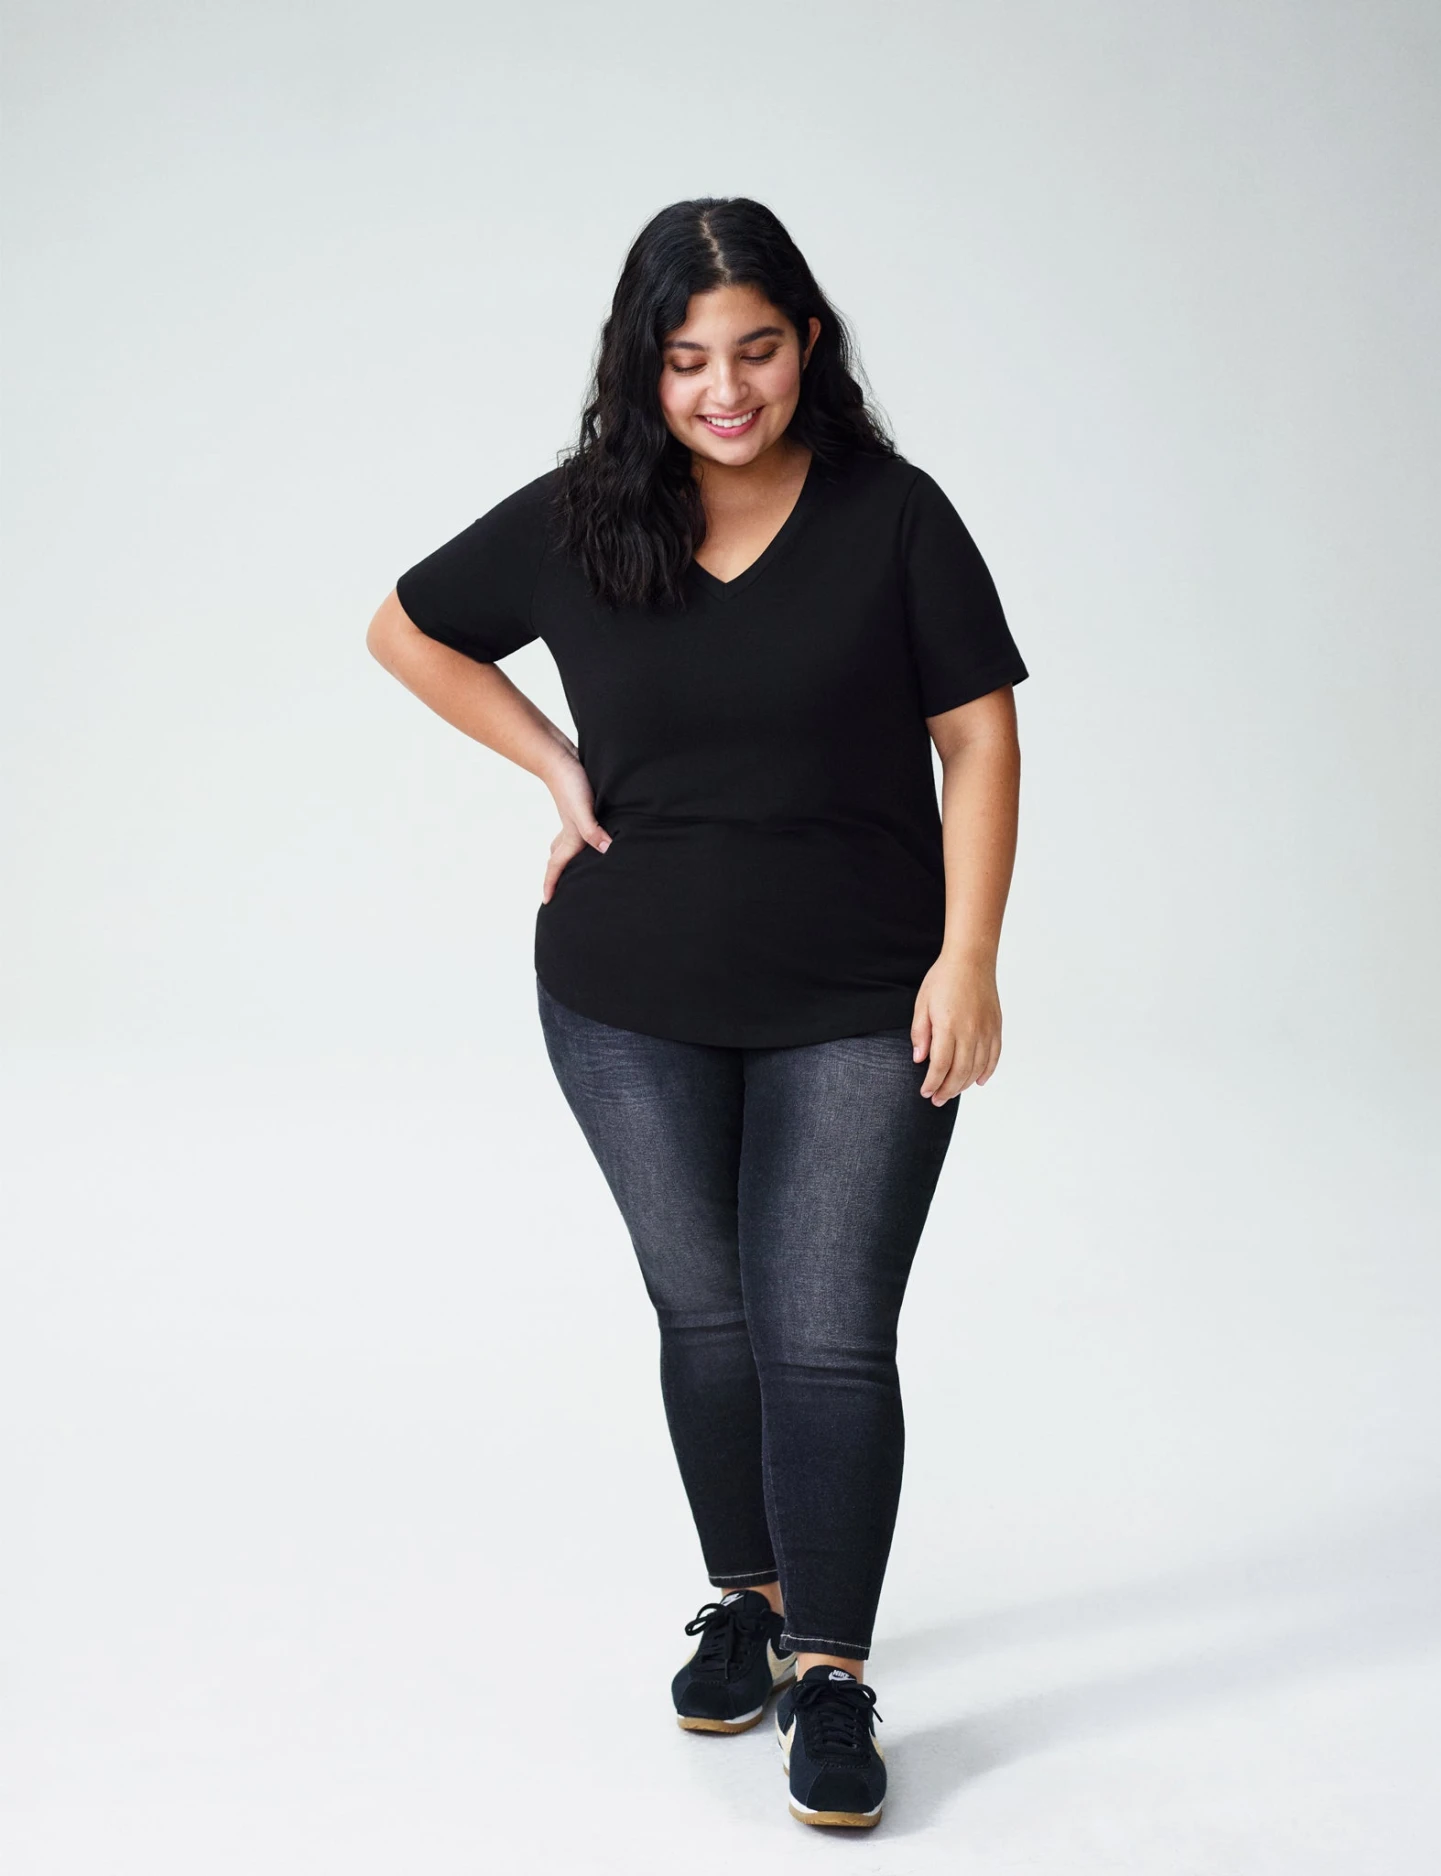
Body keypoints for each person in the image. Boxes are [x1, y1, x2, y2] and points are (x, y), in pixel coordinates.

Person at [365, 195, 1028, 1831]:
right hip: (627, 996)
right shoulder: (587, 514)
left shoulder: (892, 514)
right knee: (708, 1316)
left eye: (755, 349)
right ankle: (749, 1596)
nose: (724, 389)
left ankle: (834, 1673)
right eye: (685, 359)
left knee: (824, 1330)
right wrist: (556, 764)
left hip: (862, 993)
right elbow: (407, 629)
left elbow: (979, 739)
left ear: (809, 344)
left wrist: (969, 957)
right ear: (641, 367)